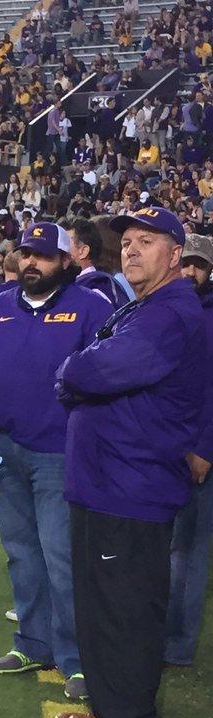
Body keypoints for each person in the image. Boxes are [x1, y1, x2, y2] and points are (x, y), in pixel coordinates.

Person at [54, 207, 206, 718]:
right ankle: (111, 707)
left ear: (175, 254)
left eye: (148, 240)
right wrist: (80, 372)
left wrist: (74, 373)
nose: (133, 249)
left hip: (131, 486)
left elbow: (91, 372)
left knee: (124, 613)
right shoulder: (145, 307)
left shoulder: (167, 314)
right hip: (107, 482)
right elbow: (92, 370)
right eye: (128, 241)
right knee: (101, 607)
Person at [0, 222, 111, 699]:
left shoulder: (91, 307)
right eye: (26, 253)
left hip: (60, 455)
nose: (31, 263)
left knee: (62, 557)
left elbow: (110, 374)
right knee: (22, 553)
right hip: (5, 451)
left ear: (66, 262)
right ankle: (33, 642)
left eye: (43, 256)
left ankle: (77, 659)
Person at [166, 232, 213, 667]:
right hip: (164, 446)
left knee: (189, 551)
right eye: (186, 263)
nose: (190, 272)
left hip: (197, 452)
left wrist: (203, 447)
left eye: (198, 265)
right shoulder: (171, 308)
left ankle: (176, 644)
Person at [60, 217, 133, 307]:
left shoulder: (97, 289)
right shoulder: (66, 286)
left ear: (83, 251)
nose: (59, 250)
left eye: (65, 243)